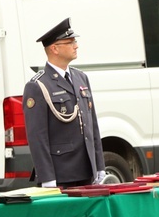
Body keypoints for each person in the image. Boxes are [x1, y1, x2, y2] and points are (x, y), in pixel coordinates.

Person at [22, 18, 105, 188]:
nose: (76, 46)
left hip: (86, 169)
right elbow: (37, 137)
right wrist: (47, 177)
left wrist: (99, 165)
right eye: (70, 42)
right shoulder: (38, 85)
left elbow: (92, 125)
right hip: (61, 173)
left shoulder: (81, 78)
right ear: (55, 48)